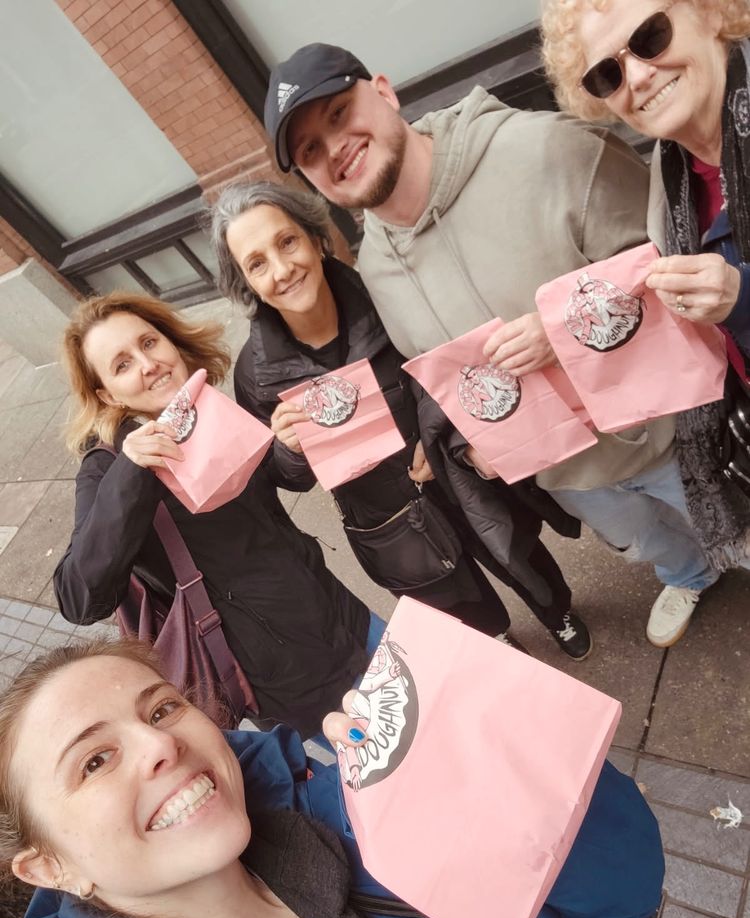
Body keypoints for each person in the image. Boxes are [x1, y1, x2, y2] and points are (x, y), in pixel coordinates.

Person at [262, 42, 723, 650]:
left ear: (384, 91)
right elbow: (447, 378)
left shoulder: (548, 150)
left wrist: (562, 330)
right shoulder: (374, 269)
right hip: (568, 472)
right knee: (644, 542)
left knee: (734, 528)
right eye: (309, 151)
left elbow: (679, 268)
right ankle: (688, 574)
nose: (334, 149)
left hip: (672, 435)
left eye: (339, 114)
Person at [3, 638, 745, 918]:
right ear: (51, 867)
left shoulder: (343, 805)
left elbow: (624, 891)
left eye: (162, 708)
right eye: (94, 762)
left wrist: (497, 759)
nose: (159, 745)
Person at [208, 179, 589, 656]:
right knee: (456, 602)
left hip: (457, 475)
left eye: (287, 242)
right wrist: (290, 450)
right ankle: (498, 642)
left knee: (520, 554)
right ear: (245, 283)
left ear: (315, 238)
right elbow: (287, 478)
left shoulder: (387, 297)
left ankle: (558, 613)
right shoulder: (256, 373)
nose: (282, 270)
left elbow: (447, 364)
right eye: (257, 264)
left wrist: (438, 434)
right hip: (386, 516)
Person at [53, 292, 379, 739]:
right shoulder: (106, 468)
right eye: (122, 364)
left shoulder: (206, 408)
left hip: (339, 612)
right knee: (393, 760)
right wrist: (132, 472)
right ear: (107, 394)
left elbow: (277, 482)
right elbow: (79, 597)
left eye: (148, 343)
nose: (148, 364)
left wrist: (290, 448)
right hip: (282, 674)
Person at [540, 0, 750, 573]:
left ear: (712, 13)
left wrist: (742, 298)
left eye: (650, 36)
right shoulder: (668, 170)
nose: (635, 76)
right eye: (606, 73)